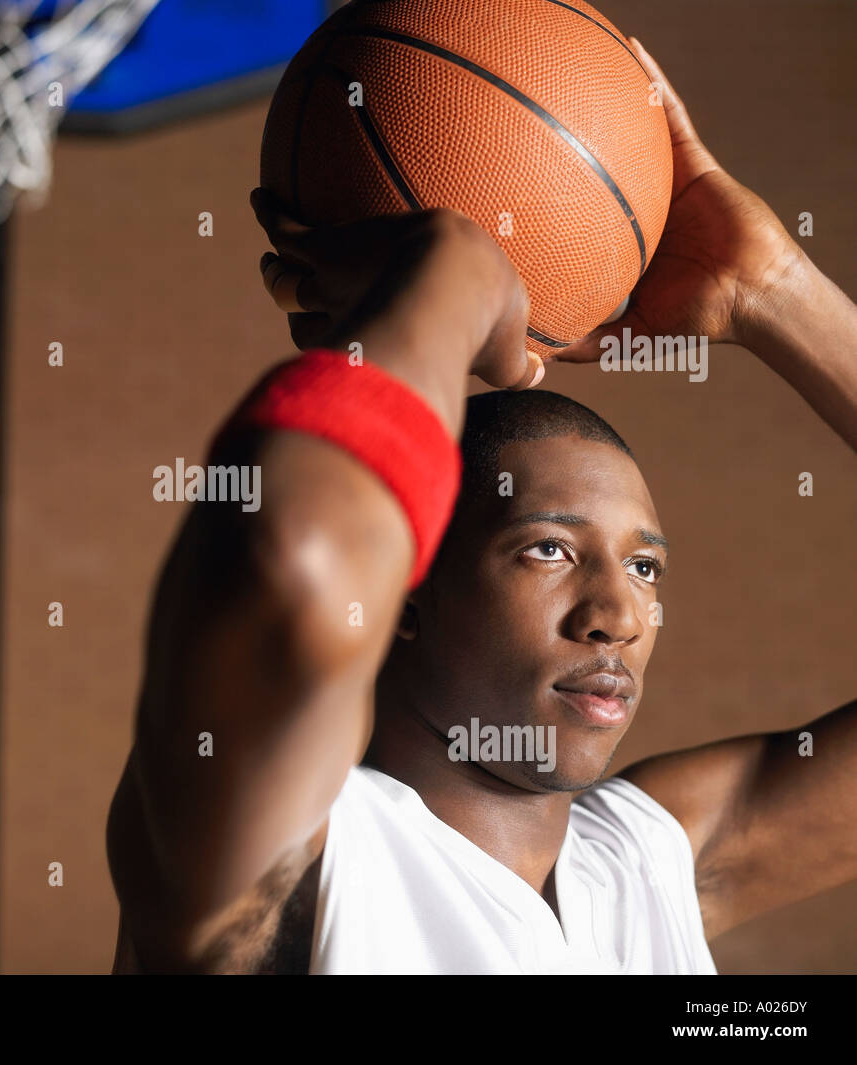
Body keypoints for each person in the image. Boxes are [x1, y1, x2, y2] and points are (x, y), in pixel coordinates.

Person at [105, 39, 857, 973]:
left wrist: (771, 290)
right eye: (548, 550)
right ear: (404, 591)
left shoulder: (652, 867)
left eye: (645, 565)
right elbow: (295, 556)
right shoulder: (297, 861)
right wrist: (456, 267)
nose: (618, 615)